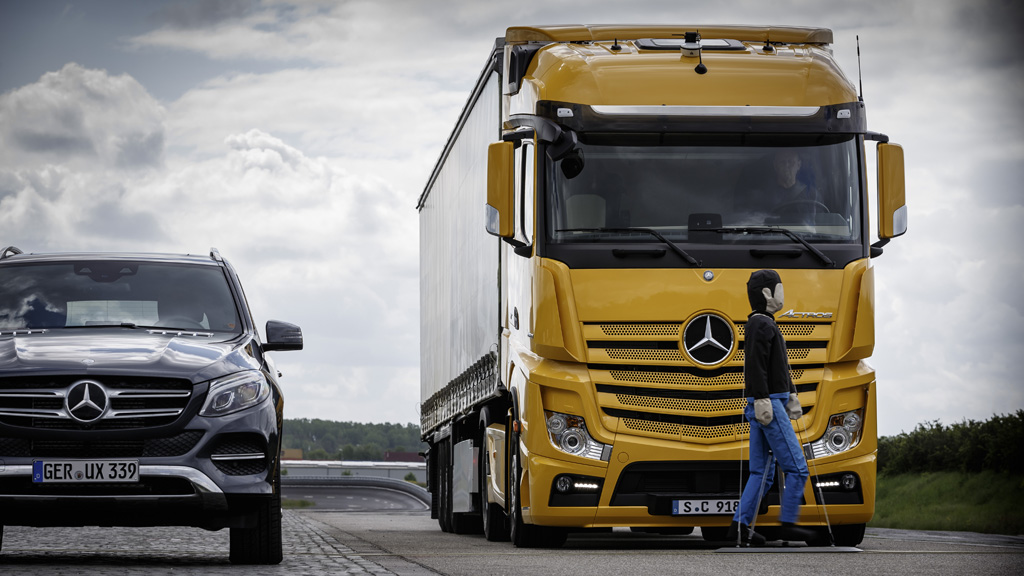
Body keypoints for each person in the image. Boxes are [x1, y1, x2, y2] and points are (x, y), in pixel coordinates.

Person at [727, 269, 815, 546]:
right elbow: (755, 365)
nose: (783, 294)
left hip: (765, 402)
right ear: (767, 293)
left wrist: (791, 394)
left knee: (761, 473)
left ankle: (739, 527)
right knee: (798, 469)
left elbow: (777, 366)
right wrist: (764, 398)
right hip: (769, 405)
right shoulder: (761, 324)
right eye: (779, 289)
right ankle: (788, 524)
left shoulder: (762, 323)